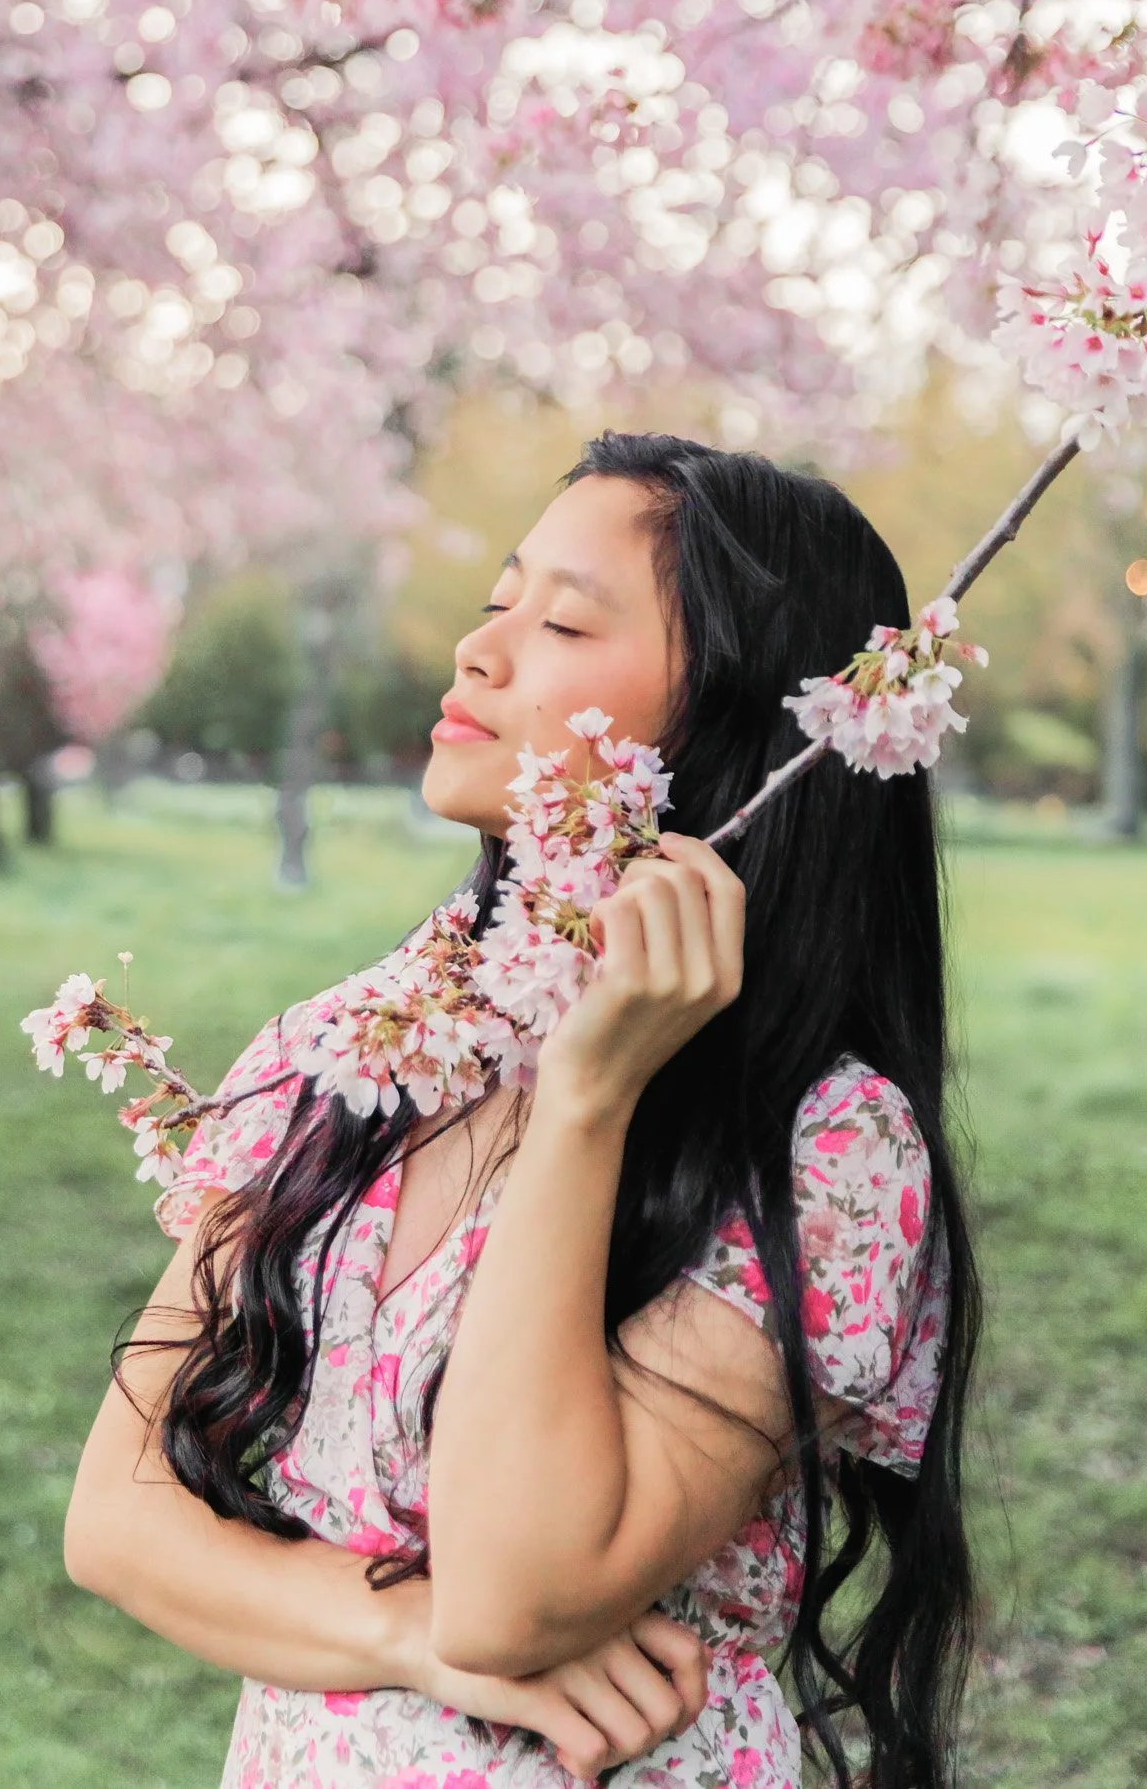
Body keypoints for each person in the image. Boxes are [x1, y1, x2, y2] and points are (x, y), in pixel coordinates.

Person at [64, 432, 980, 1789]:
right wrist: (408, 1634)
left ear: (738, 721)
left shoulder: (824, 1142)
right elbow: (116, 1523)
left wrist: (587, 1102)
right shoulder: (349, 1046)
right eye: (496, 602)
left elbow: (517, 1589)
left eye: (560, 621)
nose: (479, 653)